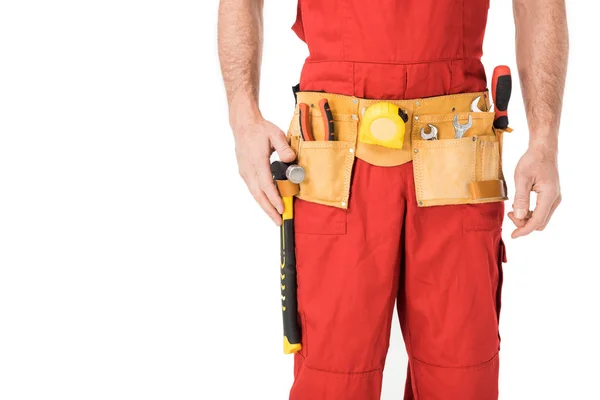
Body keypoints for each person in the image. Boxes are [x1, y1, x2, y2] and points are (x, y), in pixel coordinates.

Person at [218, 0, 568, 398]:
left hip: (456, 155)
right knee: (333, 379)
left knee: (462, 376)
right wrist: (242, 118)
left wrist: (545, 141)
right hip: (336, 154)